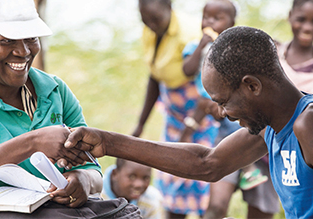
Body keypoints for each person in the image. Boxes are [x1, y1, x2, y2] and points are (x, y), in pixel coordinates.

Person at [65, 26, 313, 219]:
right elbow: (208, 163)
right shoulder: (270, 127)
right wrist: (107, 142)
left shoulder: (307, 124)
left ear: (252, 86)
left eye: (224, 101)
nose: (222, 113)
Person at [0, 0, 103, 218]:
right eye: (7, 40)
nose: (23, 51)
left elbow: (93, 170)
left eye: (31, 38)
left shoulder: (55, 91)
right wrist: (31, 143)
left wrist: (82, 180)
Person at [181, 0, 278, 219]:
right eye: (206, 17)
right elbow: (187, 70)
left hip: (239, 118)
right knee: (215, 205)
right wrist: (203, 46)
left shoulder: (240, 52)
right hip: (213, 114)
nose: (210, 22)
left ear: (232, 24)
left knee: (261, 209)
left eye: (217, 18)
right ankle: (247, 169)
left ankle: (249, 168)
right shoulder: (196, 47)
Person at [133, 0, 218, 218]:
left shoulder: (190, 34)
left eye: (155, 19)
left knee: (200, 174)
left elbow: (207, 87)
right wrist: (141, 123)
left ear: (170, 8)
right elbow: (155, 76)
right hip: (174, 115)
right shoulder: (151, 31)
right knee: (171, 178)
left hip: (199, 116)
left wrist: (191, 126)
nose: (151, 24)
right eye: (145, 19)